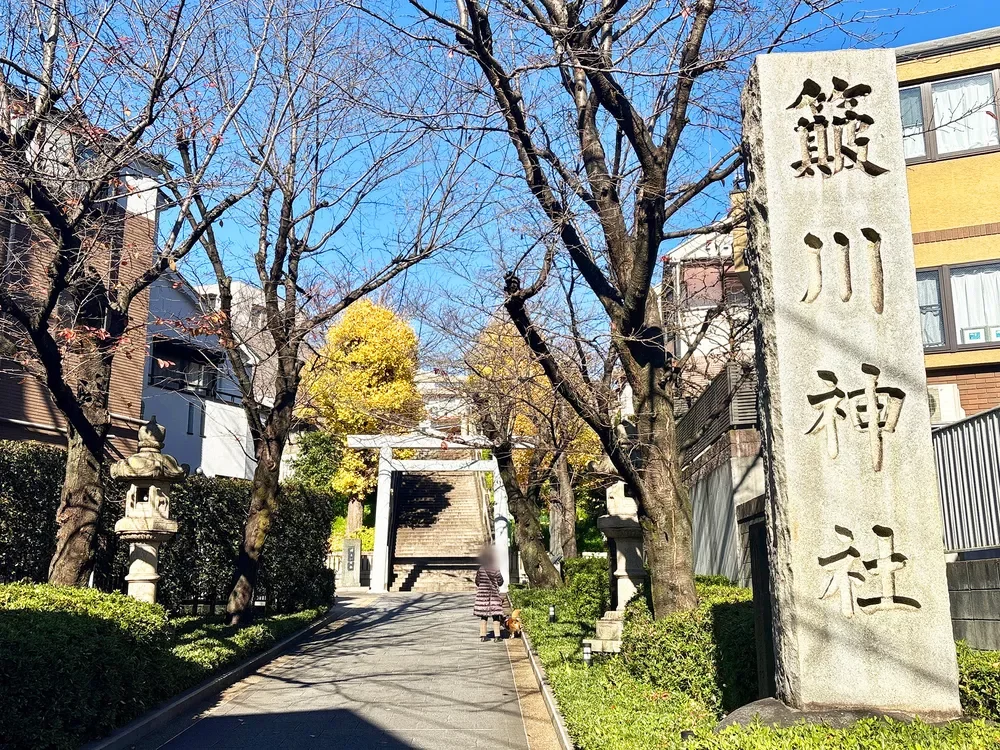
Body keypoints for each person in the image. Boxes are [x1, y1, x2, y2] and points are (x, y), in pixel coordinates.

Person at [474, 547, 504, 642]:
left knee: (484, 616)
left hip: (483, 595)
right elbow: (500, 581)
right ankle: (497, 636)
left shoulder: (481, 569)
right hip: (493, 595)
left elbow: (477, 581)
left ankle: (483, 636)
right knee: (496, 616)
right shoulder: (495, 568)